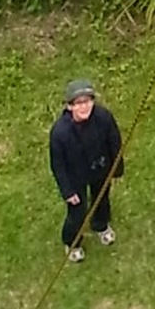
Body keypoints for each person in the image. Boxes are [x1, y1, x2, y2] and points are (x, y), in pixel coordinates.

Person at [48, 78, 121, 262]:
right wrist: (67, 190)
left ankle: (101, 225)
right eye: (79, 103)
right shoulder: (60, 133)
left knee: (101, 200)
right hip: (75, 177)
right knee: (77, 212)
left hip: (100, 168)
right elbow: (58, 165)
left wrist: (116, 167)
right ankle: (72, 242)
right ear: (70, 106)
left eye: (87, 101)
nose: (84, 107)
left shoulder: (103, 117)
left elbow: (114, 141)